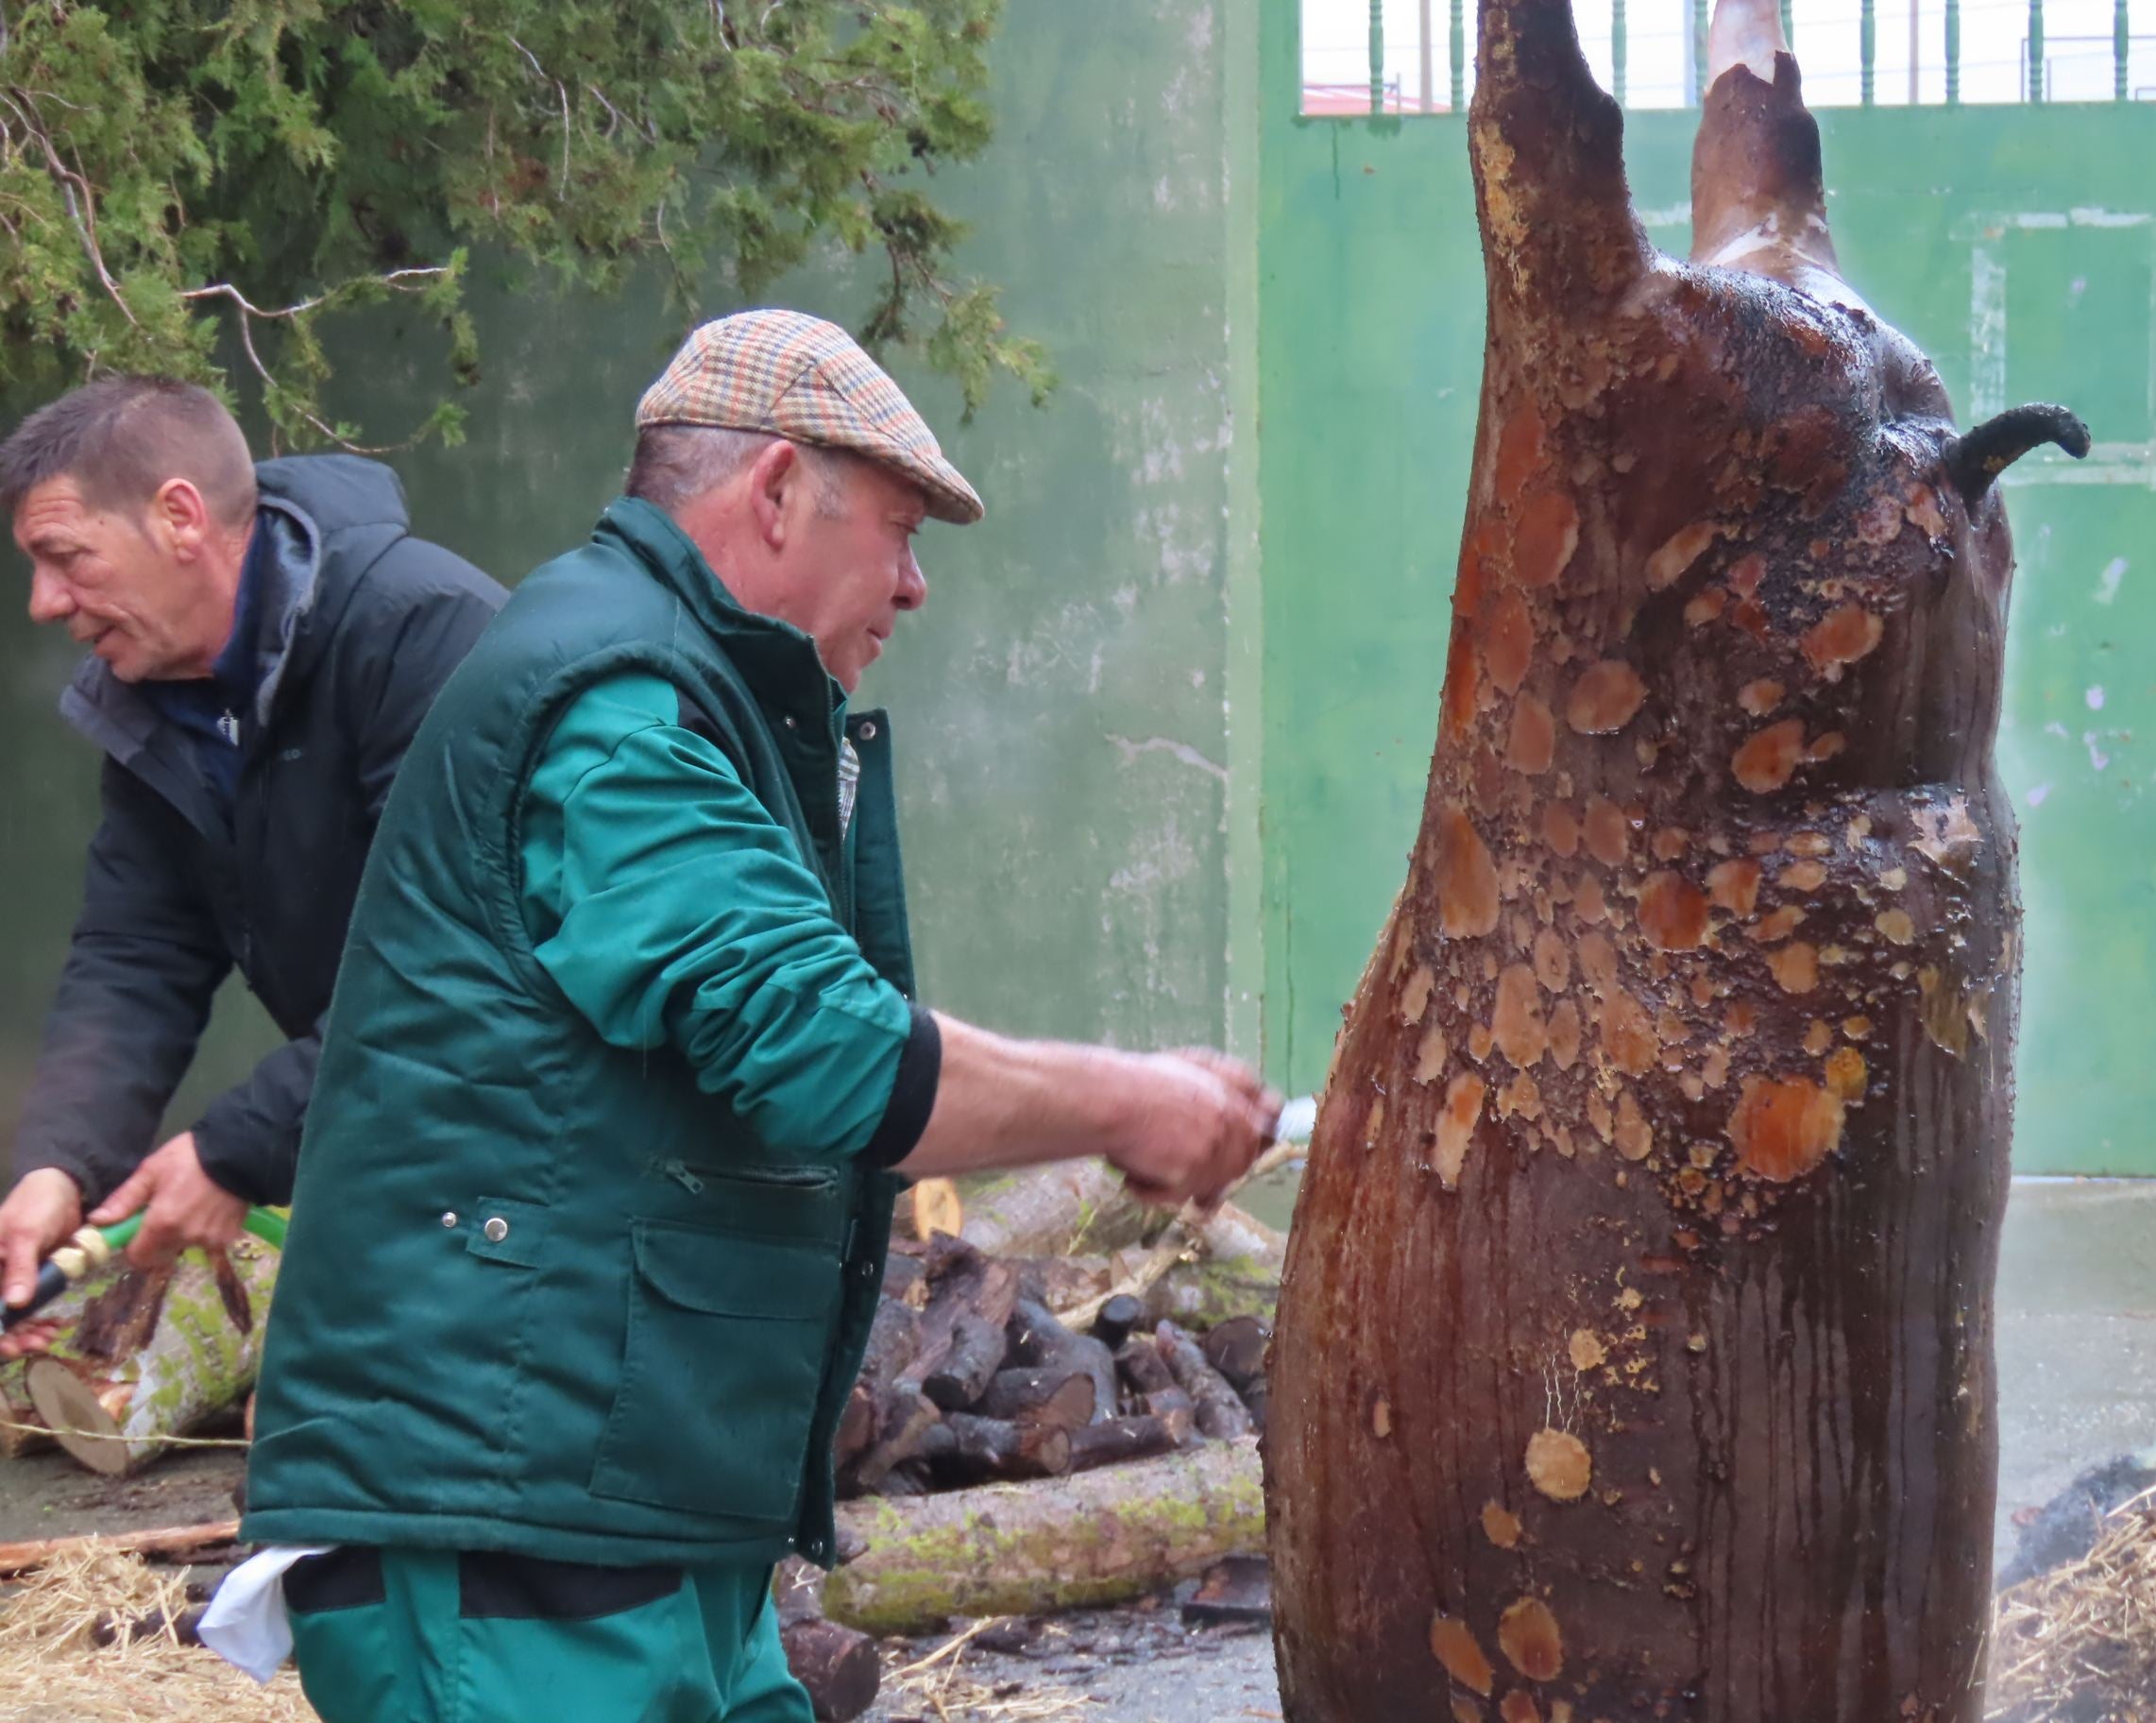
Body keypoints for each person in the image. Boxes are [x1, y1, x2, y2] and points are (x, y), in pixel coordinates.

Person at [236, 310, 1280, 1723]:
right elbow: (830, 1052)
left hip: (636, 1524)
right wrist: (1132, 1101)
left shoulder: (690, 694)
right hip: (510, 1530)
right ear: (777, 489)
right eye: (901, 532)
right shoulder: (617, 703)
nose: (913, 588)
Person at [0, 378, 504, 1355]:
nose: (43, 602)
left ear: (179, 516)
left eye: (64, 558)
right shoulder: (151, 693)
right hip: (391, 1153)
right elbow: (136, 954)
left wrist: (235, 1150)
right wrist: (57, 1169)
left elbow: (461, 958)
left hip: (540, 1171)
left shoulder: (421, 632)